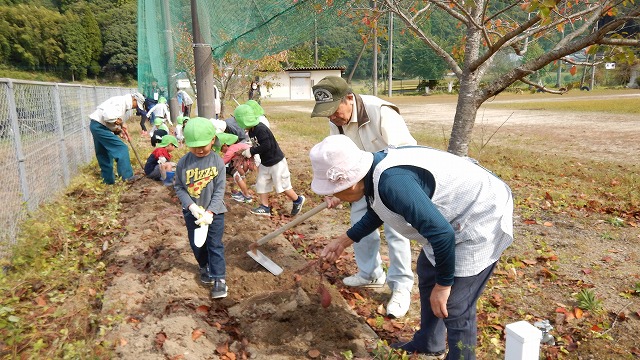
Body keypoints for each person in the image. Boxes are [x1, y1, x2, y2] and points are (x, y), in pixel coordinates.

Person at [309, 135, 514, 360]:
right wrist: (344, 240)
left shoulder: (393, 182)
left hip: (480, 212)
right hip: (448, 220)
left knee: (455, 304)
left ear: (352, 181)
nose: (334, 195)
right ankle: (429, 341)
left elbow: (442, 234)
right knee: (428, 270)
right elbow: (380, 208)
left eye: (335, 189)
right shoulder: (374, 176)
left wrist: (444, 285)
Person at [310, 75, 417, 318]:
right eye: (326, 113)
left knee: (396, 232)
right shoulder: (336, 120)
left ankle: (401, 287)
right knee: (360, 227)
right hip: (359, 182)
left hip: (392, 180)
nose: (332, 117)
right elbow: (336, 153)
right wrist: (337, 188)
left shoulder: (381, 112)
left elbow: (406, 153)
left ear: (349, 98)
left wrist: (388, 190)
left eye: (334, 110)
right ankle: (370, 273)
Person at [174, 117, 228, 299]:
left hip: (215, 213)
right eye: (194, 145)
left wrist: (211, 211)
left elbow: (220, 189)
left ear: (213, 140)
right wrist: (191, 206)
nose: (199, 149)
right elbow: (179, 187)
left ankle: (219, 278)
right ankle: (203, 265)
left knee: (215, 244)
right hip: (193, 214)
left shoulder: (217, 162)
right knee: (198, 245)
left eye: (203, 145)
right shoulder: (183, 163)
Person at [233, 104, 305, 216]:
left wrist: (250, 152)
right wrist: (247, 153)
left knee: (282, 185)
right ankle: (264, 207)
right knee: (261, 183)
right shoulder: (252, 131)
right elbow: (258, 145)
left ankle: (297, 200)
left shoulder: (260, 129)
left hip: (276, 162)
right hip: (265, 162)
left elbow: (266, 145)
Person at [89, 92, 145, 184]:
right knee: (121, 148)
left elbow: (110, 120)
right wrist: (119, 122)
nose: (135, 107)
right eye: (136, 105)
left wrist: (119, 131)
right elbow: (107, 117)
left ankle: (108, 181)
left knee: (103, 153)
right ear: (134, 99)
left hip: (96, 125)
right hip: (100, 127)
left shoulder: (121, 102)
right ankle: (127, 177)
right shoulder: (120, 102)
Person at [217, 132, 254, 203]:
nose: (222, 152)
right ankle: (243, 193)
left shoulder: (231, 149)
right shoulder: (238, 145)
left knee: (237, 176)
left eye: (221, 149)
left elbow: (222, 162)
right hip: (249, 162)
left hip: (247, 162)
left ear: (224, 145)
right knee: (241, 176)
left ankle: (247, 197)